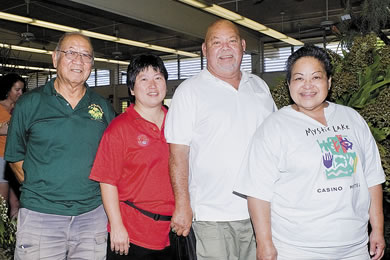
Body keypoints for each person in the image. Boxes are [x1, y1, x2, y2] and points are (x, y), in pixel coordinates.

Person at [234, 45, 386, 260]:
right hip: (297, 249)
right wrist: (264, 244)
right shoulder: (274, 127)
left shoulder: (351, 119)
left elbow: (372, 178)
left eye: (316, 77)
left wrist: (377, 229)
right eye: (298, 78)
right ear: (288, 84)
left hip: (354, 247)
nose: (307, 85)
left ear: (329, 82)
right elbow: (258, 193)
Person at [165, 19, 277, 259]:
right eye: (217, 43)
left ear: (243, 46)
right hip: (212, 217)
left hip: (261, 212)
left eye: (232, 41)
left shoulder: (259, 87)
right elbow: (178, 154)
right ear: (205, 50)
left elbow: (276, 143)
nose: (225, 48)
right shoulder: (189, 91)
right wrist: (182, 204)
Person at [4, 32, 116, 259]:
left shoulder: (102, 107)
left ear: (92, 65)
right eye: (71, 53)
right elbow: (15, 157)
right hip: (40, 217)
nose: (79, 60)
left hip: (92, 217)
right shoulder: (29, 103)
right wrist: (45, 188)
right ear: (55, 59)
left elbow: (114, 158)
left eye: (86, 55)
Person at [89, 54, 174, 260]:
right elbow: (107, 181)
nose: (152, 85)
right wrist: (117, 226)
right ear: (132, 89)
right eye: (143, 79)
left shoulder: (177, 122)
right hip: (133, 234)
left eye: (158, 77)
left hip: (171, 231)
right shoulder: (119, 129)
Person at [0, 73, 25, 218]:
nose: (20, 93)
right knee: (2, 203)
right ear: (8, 89)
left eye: (22, 90)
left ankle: (13, 236)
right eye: (17, 89)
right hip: (2, 157)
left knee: (16, 203)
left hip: (17, 158)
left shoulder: (20, 107)